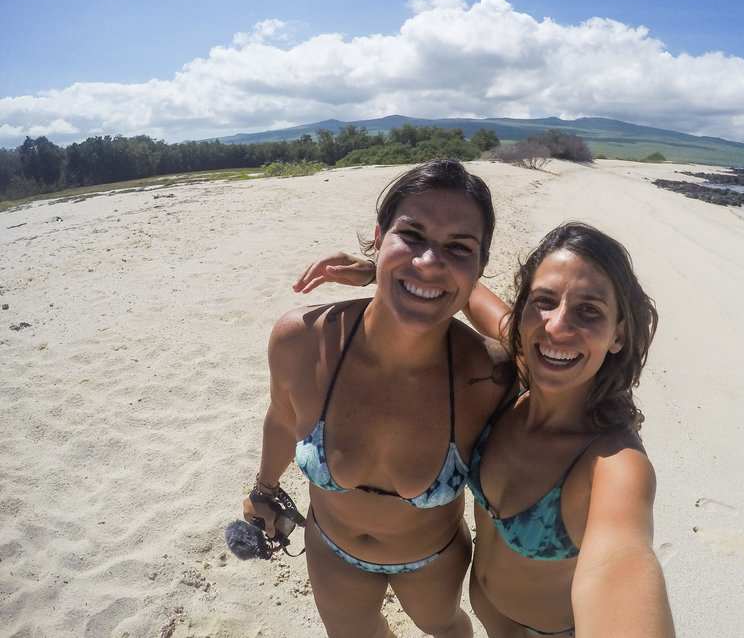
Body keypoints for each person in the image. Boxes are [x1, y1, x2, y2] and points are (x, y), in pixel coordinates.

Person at [300, 221, 675, 637]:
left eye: (589, 311)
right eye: (544, 301)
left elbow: (622, 563)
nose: (556, 327)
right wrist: (382, 271)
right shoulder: (521, 371)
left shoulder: (614, 465)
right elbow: (469, 294)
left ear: (619, 333)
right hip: (488, 619)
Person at [243, 159, 509, 638]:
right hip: (330, 548)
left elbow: (534, 338)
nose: (430, 259)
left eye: (458, 248)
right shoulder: (303, 340)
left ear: (480, 269)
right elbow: (282, 422)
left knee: (446, 627)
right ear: (379, 235)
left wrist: (393, 274)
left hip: (433, 559)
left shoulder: (489, 375)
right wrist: (263, 489)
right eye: (411, 236)